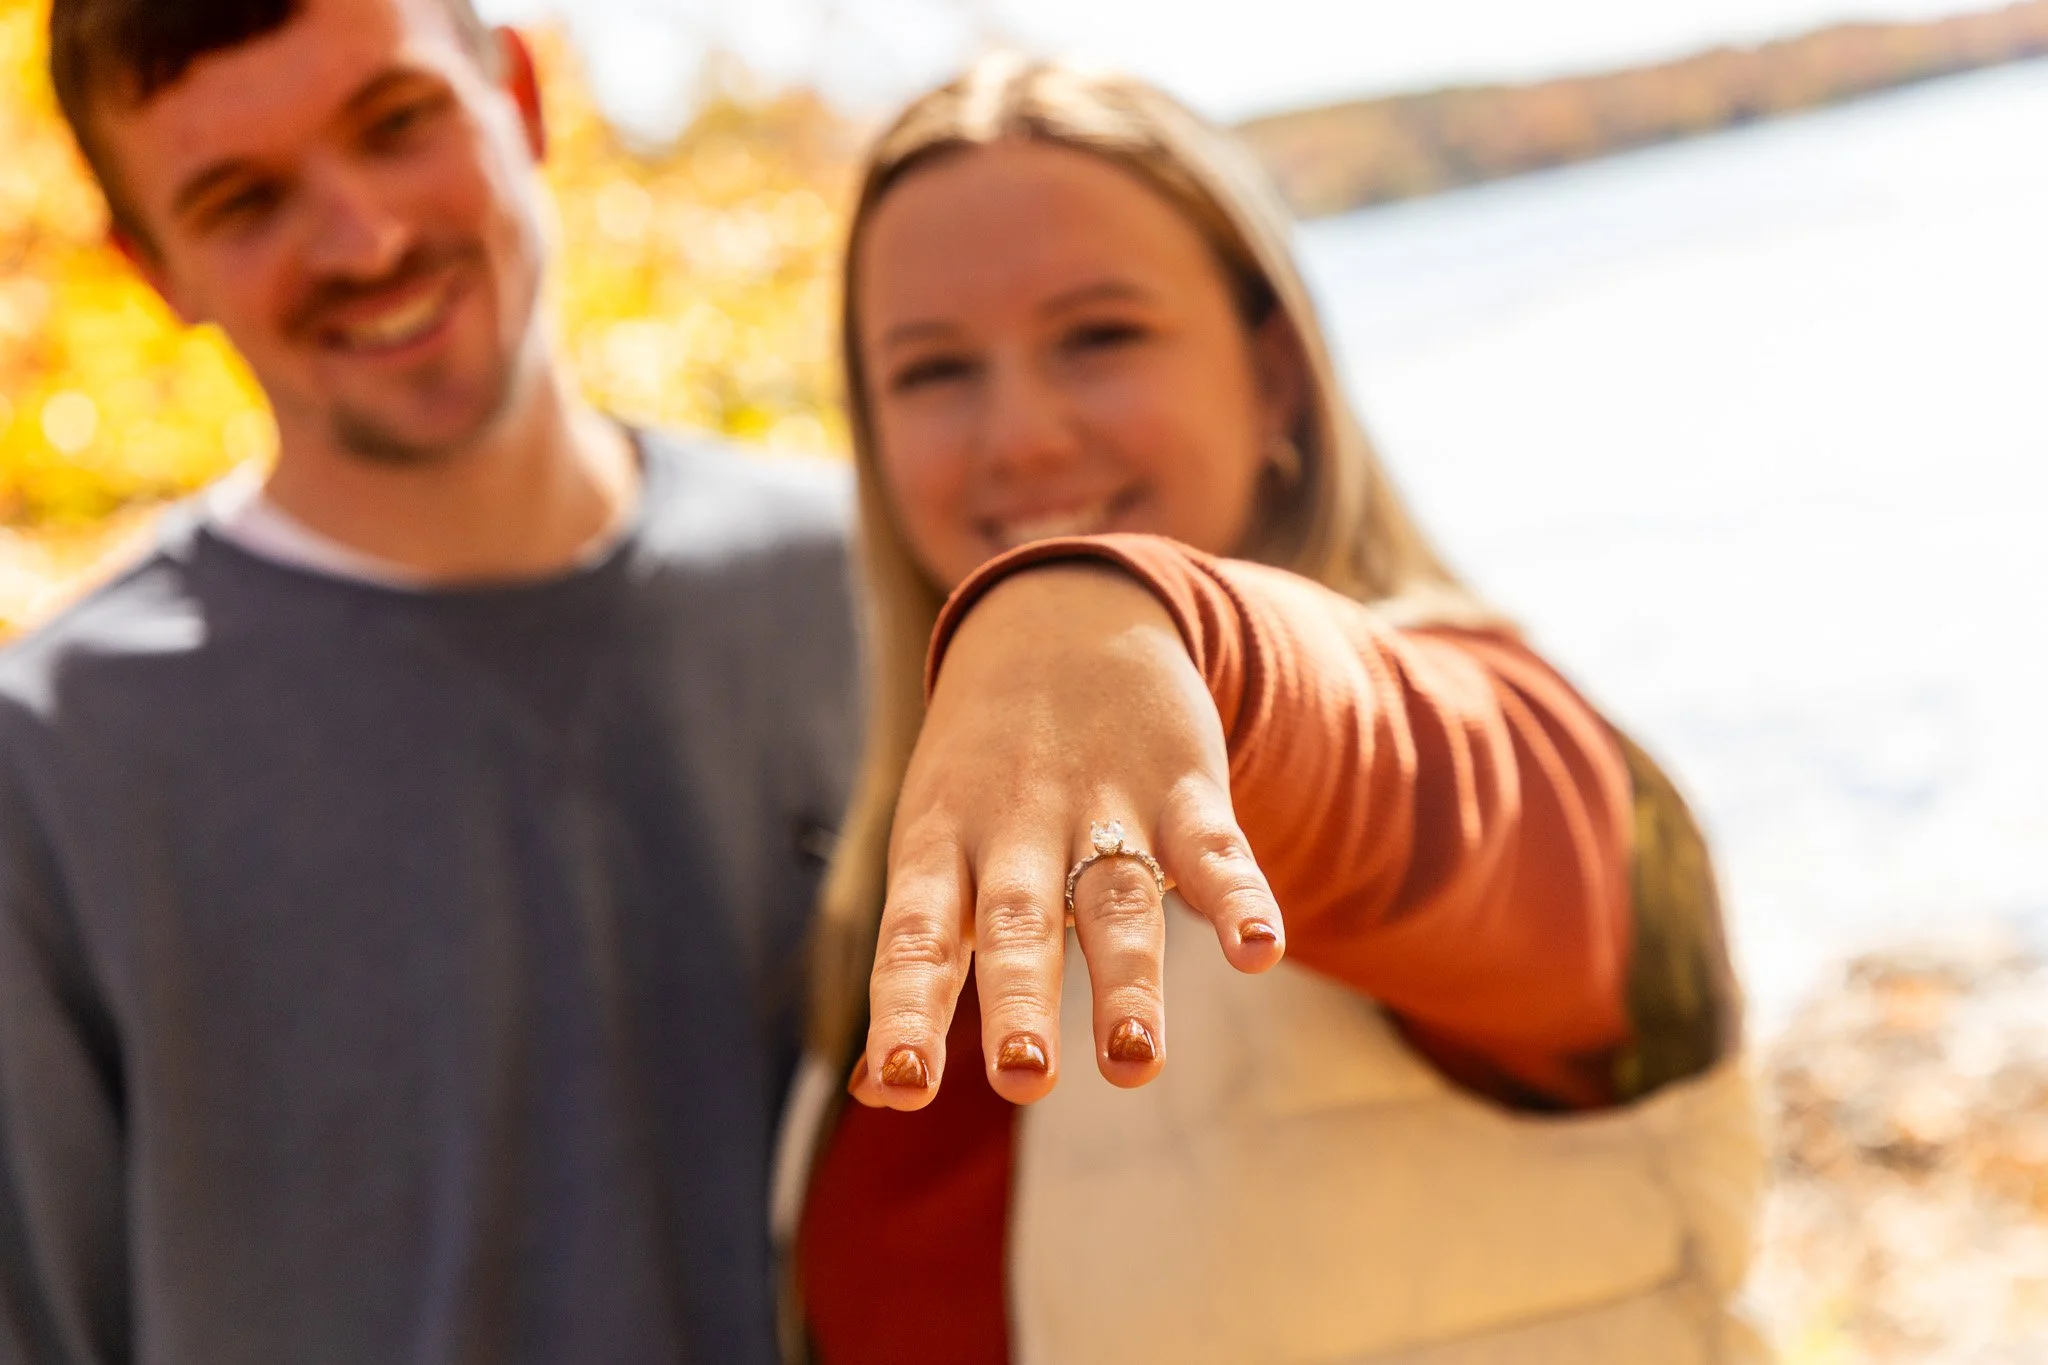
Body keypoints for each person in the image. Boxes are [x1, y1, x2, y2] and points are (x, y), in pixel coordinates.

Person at [780, 55, 1766, 1364]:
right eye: (933, 370)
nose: (1017, 434)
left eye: (1101, 335)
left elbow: (1424, 779)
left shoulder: (1486, 739)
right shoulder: (900, 909)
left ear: (1279, 381)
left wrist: (1133, 620)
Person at [0, 1, 856, 1361]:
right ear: (153, 267)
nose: (366, 240)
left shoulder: (858, 588)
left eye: (396, 125)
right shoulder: (51, 769)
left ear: (515, 92)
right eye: (242, 200)